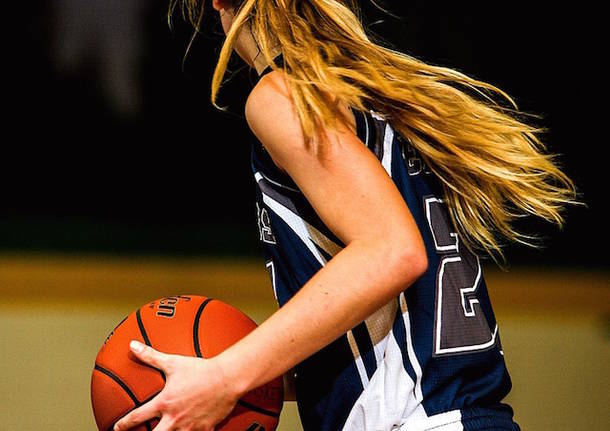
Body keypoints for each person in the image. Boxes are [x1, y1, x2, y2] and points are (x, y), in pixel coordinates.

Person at [114, 1, 579, 430]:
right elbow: (389, 316)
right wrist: (235, 367)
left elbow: (392, 251)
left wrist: (225, 376)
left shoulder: (284, 94)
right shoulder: (366, 91)